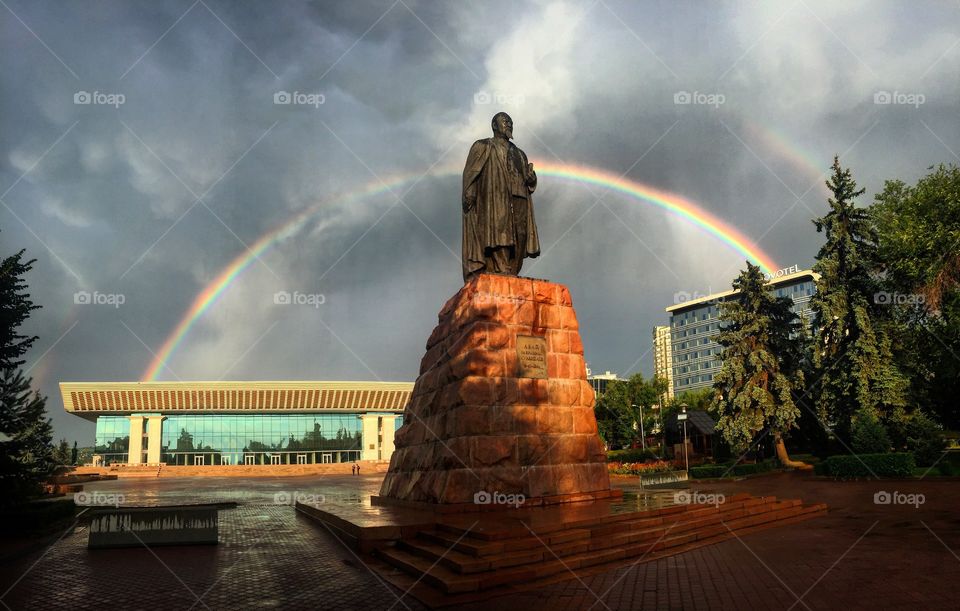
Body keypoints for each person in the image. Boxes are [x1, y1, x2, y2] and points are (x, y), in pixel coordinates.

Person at [461, 112, 540, 282]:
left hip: (519, 196)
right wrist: (470, 191)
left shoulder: (520, 153)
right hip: (495, 197)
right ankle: (500, 268)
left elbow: (528, 178)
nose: (509, 124)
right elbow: (471, 172)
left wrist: (531, 178)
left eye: (511, 122)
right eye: (505, 121)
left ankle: (512, 270)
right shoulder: (483, 145)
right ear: (495, 126)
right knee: (500, 232)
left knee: (521, 234)